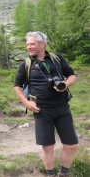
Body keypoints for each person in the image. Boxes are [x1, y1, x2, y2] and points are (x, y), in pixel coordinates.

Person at [14, 31, 78, 177]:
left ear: (43, 44)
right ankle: (50, 175)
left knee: (71, 145)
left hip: (62, 107)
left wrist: (65, 84)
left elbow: (72, 75)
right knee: (48, 146)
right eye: (27, 44)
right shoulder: (26, 64)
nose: (29, 47)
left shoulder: (58, 58)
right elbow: (17, 85)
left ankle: (64, 174)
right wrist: (26, 102)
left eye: (32, 44)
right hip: (41, 110)